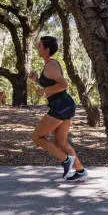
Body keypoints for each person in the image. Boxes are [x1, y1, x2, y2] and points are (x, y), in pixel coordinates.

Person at [29, 36, 87, 181]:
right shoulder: (48, 64)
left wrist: (43, 91)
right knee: (61, 141)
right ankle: (80, 171)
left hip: (60, 105)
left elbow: (63, 84)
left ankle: (66, 160)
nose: (38, 47)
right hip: (63, 105)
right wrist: (36, 80)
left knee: (37, 137)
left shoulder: (51, 65)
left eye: (40, 45)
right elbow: (51, 85)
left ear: (47, 49)